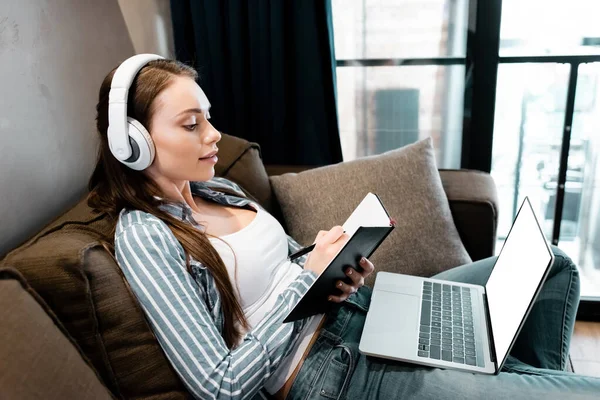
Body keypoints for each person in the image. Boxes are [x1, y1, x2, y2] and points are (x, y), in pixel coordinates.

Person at [88, 56, 600, 400]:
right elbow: (218, 386)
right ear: (134, 141)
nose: (215, 134)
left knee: (554, 267)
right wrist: (303, 281)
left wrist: (334, 265)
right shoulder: (145, 237)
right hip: (328, 368)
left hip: (361, 310)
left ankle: (514, 377)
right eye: (190, 123)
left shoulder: (217, 188)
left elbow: (289, 267)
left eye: (208, 117)